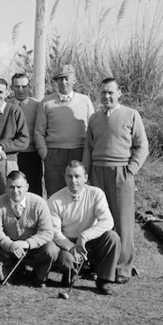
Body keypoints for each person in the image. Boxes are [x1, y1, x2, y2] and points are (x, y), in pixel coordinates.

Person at [82, 77, 149, 284]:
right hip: (97, 172)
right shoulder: (94, 118)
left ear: (120, 93)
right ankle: (98, 265)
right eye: (103, 92)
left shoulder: (131, 115)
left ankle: (122, 268)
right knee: (99, 220)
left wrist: (130, 170)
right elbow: (89, 148)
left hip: (121, 173)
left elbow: (142, 146)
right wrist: (86, 174)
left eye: (111, 92)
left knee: (123, 221)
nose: (107, 96)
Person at [48, 160, 120, 295]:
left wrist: (84, 236)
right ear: (64, 177)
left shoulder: (96, 193)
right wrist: (71, 247)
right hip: (67, 242)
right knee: (67, 262)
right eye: (69, 176)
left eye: (77, 176)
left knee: (112, 237)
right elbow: (54, 231)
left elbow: (107, 222)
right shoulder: (55, 199)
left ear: (85, 178)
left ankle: (103, 281)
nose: (73, 180)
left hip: (89, 240)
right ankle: (68, 274)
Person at [0, 171, 58, 288]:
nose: (15, 191)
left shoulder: (39, 203)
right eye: (11, 187)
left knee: (51, 249)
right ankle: (8, 272)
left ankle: (39, 276)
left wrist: (27, 243)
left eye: (19, 187)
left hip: (32, 247)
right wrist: (10, 245)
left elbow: (47, 232)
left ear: (27, 187)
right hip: (8, 247)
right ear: (6, 188)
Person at [34, 64, 95, 197]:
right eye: (60, 79)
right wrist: (46, 155)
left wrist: (88, 155)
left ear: (74, 79)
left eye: (67, 78)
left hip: (79, 152)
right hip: (55, 154)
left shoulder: (85, 101)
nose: (64, 82)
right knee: (55, 194)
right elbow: (39, 132)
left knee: (79, 193)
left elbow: (92, 129)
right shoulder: (46, 102)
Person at [8, 73, 43, 196]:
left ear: (29, 87)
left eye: (24, 86)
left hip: (31, 155)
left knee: (33, 191)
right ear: (11, 87)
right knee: (13, 190)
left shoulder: (38, 105)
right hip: (11, 155)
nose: (20, 90)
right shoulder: (6, 105)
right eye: (17, 86)